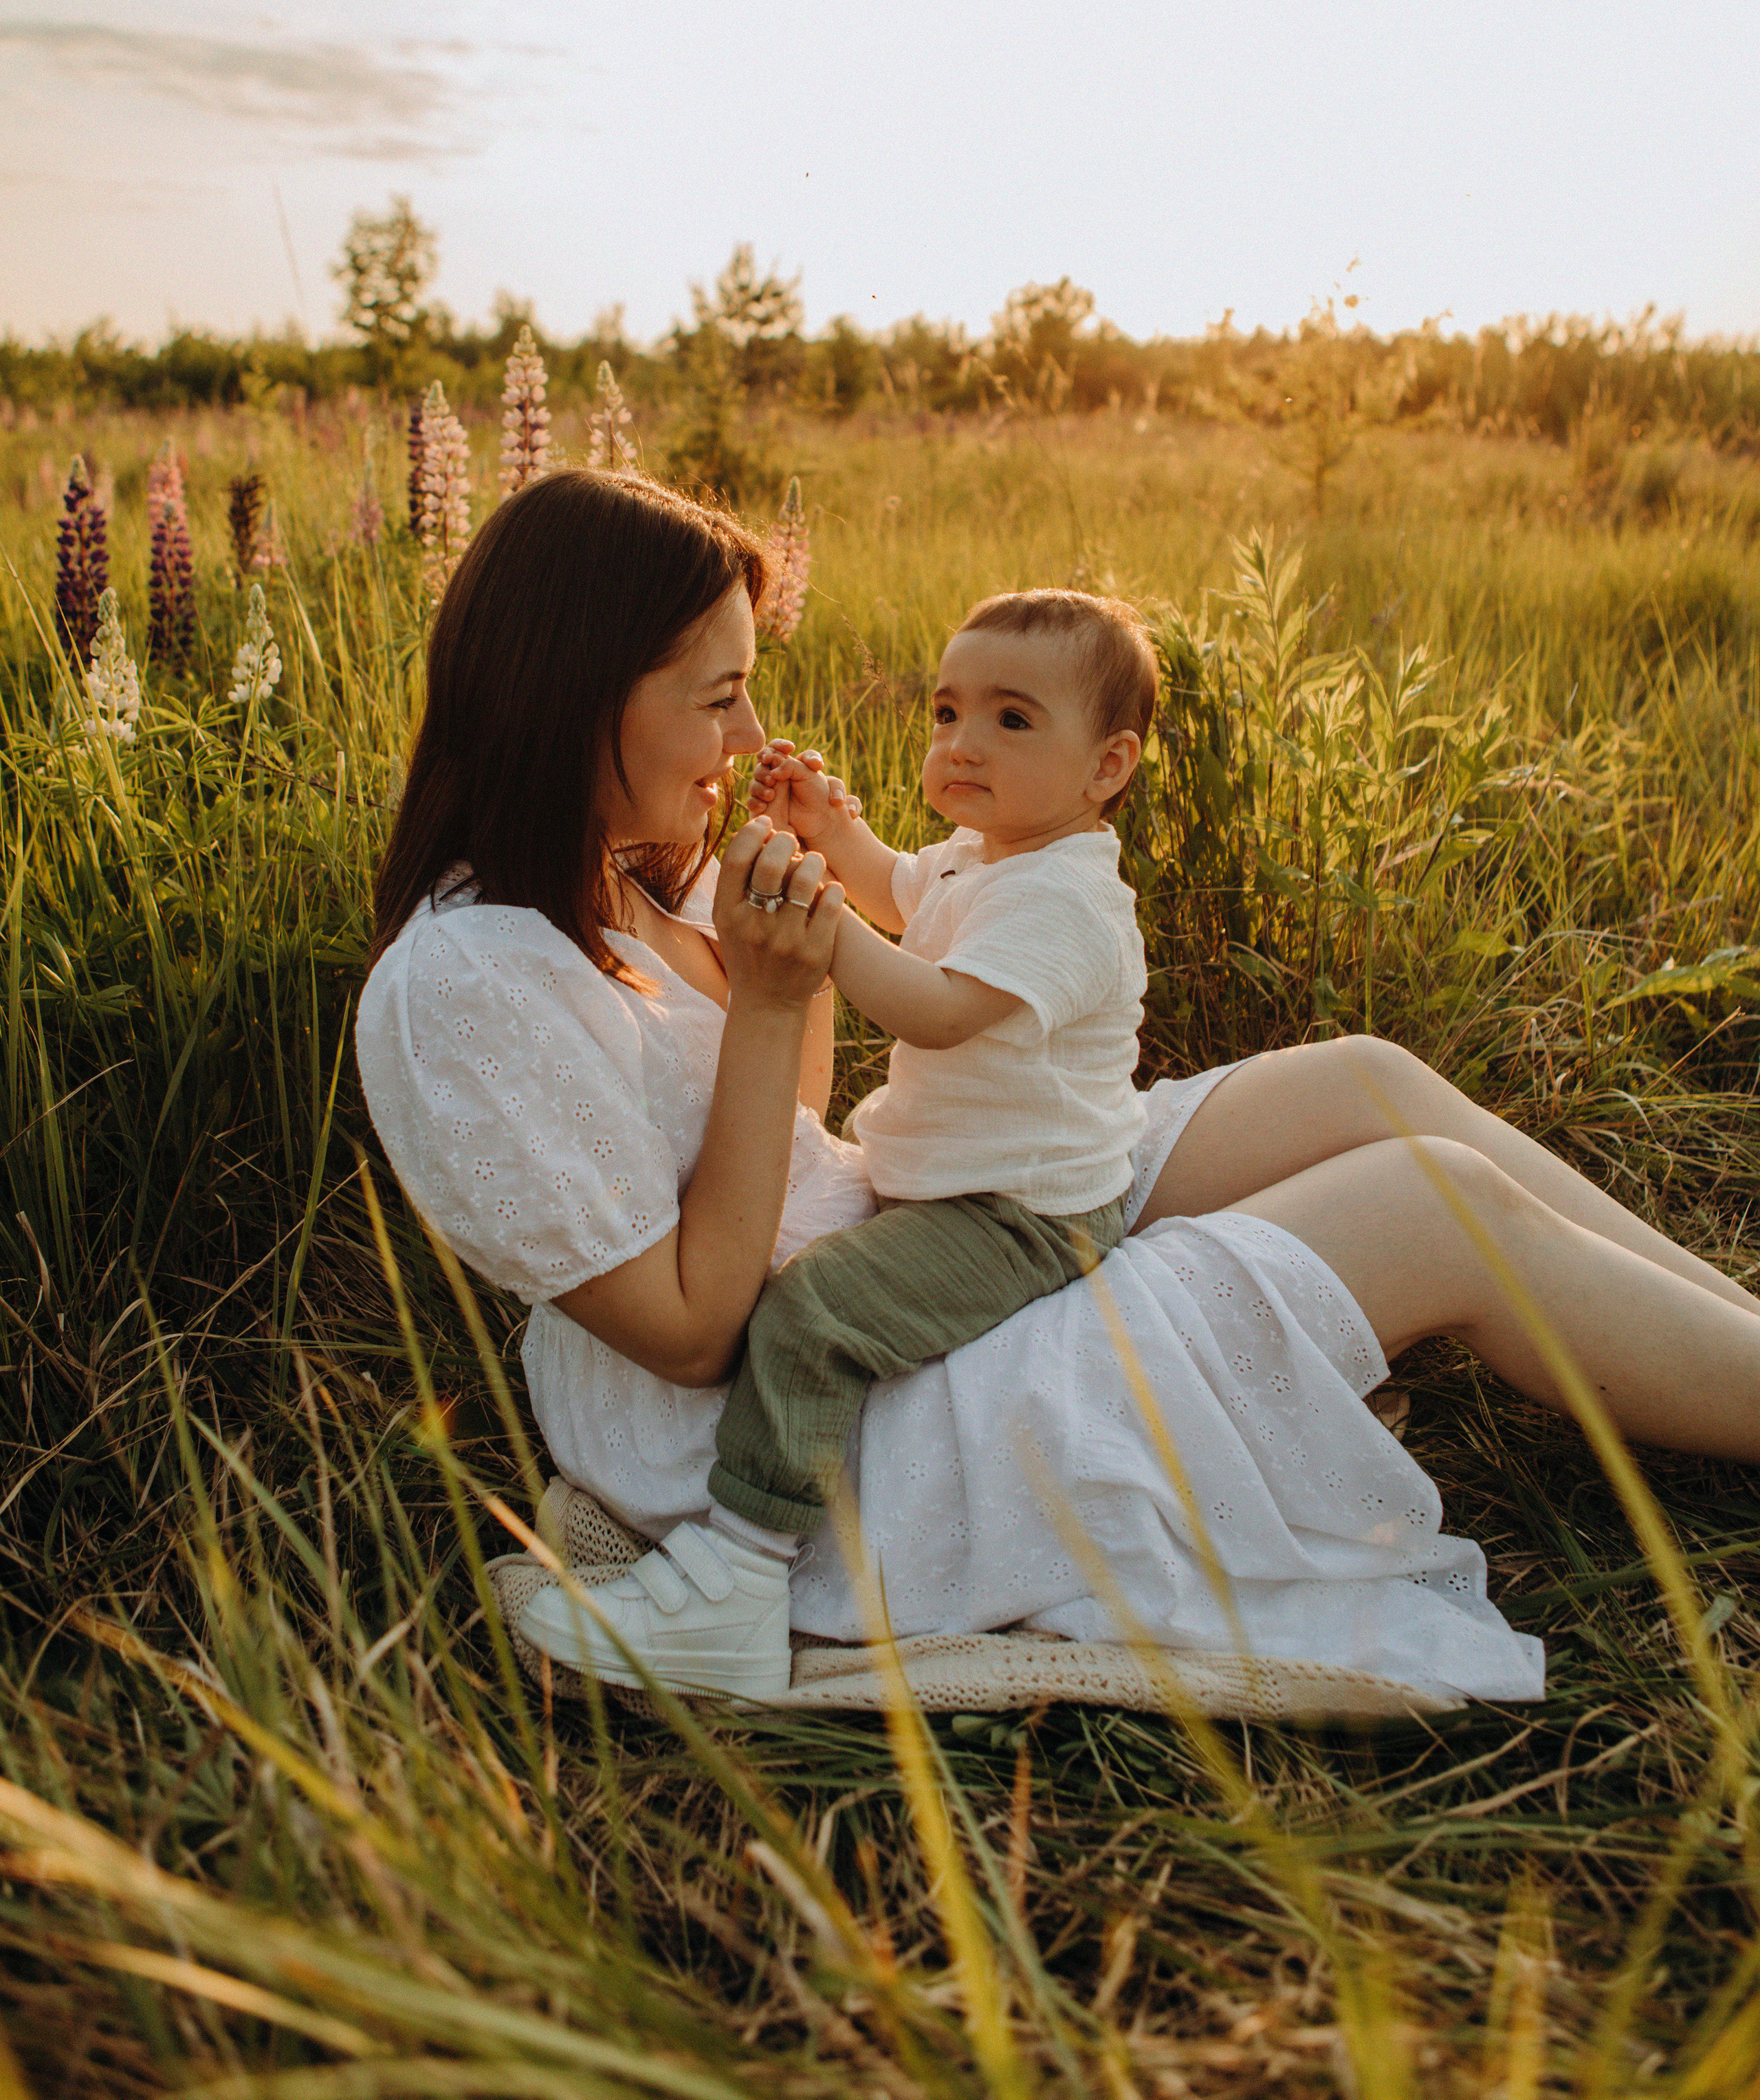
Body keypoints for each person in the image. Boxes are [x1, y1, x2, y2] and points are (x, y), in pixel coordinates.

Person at [355, 469, 1760, 1714]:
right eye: (719, 697)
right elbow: (686, 1332)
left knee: (1365, 1086)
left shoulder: (627, 882)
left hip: (898, 1240)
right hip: (813, 1442)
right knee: (1432, 1207)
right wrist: (773, 997)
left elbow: (797, 1115)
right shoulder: (465, 990)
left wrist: (799, 925)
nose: (746, 734)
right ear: (574, 690)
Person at [518, 587, 1160, 1696]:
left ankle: (739, 1578)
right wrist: (836, 834)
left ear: (1108, 767)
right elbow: (907, 893)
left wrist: (819, 927)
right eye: (948, 712)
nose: (963, 744)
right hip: (967, 1185)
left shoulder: (1068, 902)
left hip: (1022, 1218)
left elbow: (938, 1006)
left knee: (815, 1316)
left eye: (1012, 721)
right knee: (832, 1295)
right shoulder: (989, 852)